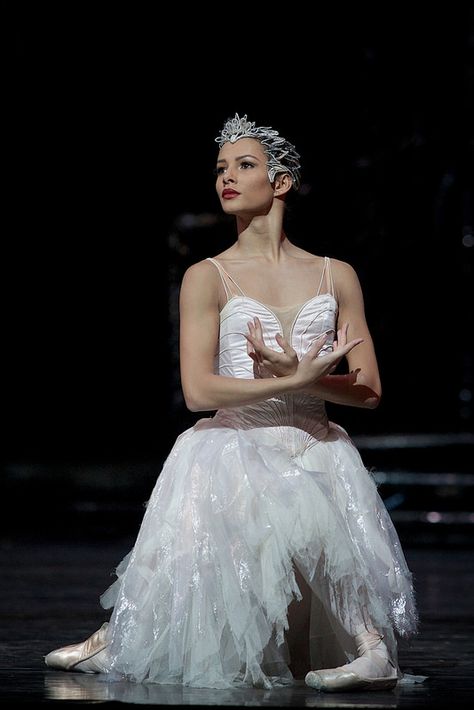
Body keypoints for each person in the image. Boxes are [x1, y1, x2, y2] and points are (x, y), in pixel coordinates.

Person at [45, 113, 420, 692]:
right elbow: (199, 391)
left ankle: (372, 652)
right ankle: (124, 634)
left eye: (245, 165)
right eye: (220, 168)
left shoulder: (335, 274)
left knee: (314, 470)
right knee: (266, 479)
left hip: (312, 440)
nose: (227, 177)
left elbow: (367, 390)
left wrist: (305, 381)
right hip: (233, 440)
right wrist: (283, 382)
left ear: (282, 181)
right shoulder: (208, 276)